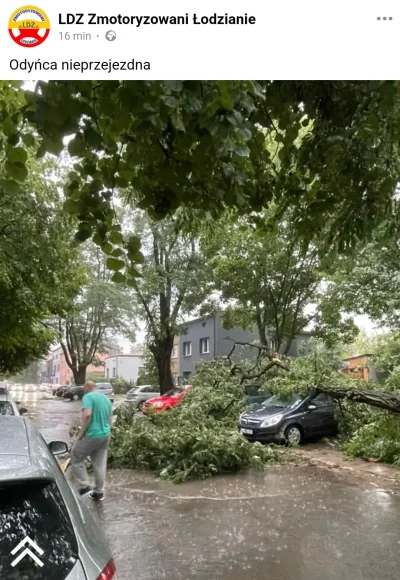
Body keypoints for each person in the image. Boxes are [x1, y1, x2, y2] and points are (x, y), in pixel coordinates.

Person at [69, 380, 112, 501]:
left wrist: (81, 432)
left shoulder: (88, 397)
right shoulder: (106, 399)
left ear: (87, 388)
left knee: (76, 456)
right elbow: (110, 418)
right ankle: (99, 491)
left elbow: (87, 414)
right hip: (105, 435)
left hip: (92, 434)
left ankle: (84, 485)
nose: (83, 392)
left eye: (84, 390)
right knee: (100, 463)